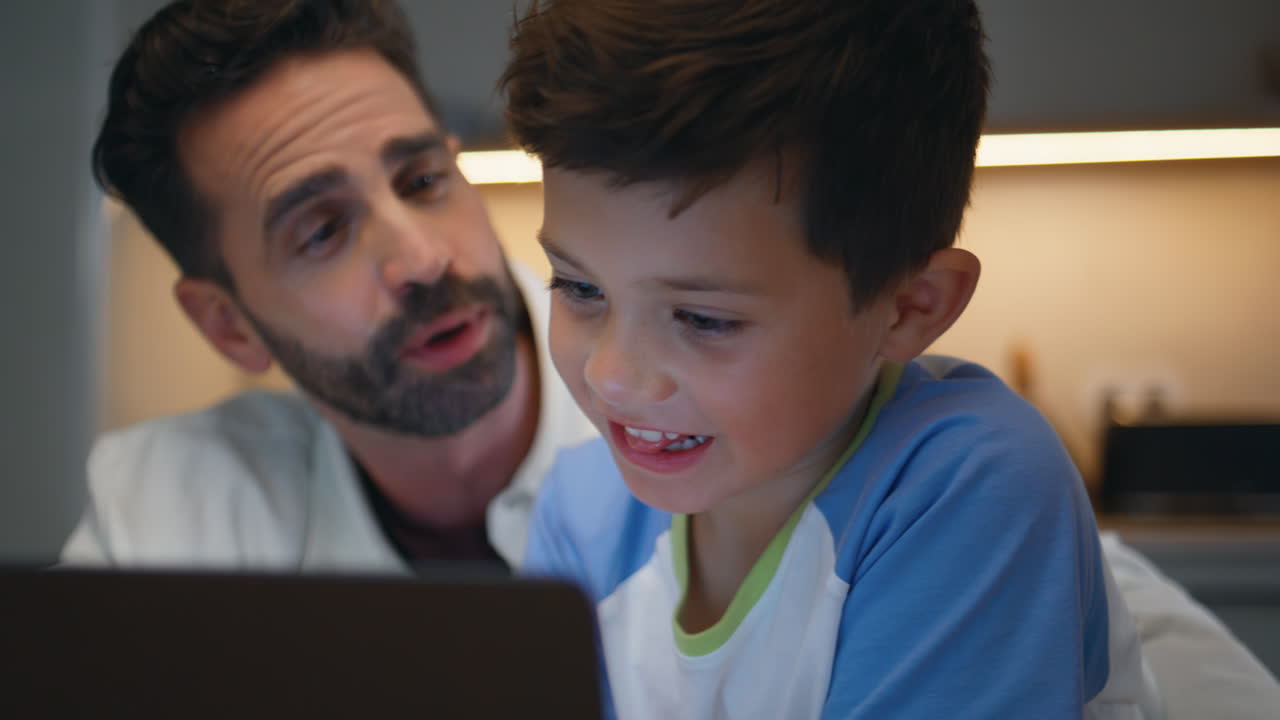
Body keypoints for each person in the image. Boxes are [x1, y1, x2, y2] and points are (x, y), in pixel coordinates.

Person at [502, 0, 1163, 717]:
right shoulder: (582, 510)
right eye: (578, 287)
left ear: (910, 308)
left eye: (703, 318)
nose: (612, 375)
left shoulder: (970, 486)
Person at [60, 0, 594, 572]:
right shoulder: (165, 515)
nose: (422, 259)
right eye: (323, 231)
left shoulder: (679, 418)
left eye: (421, 181)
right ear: (228, 325)